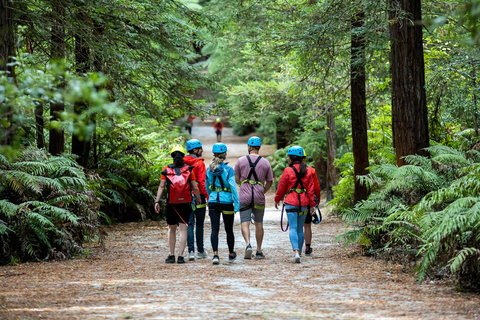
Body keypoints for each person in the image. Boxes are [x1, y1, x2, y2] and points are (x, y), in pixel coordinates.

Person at [154, 145, 201, 264]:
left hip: (171, 203)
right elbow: (194, 187)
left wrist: (157, 201)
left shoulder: (166, 169)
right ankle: (180, 256)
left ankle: (171, 255)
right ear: (183, 155)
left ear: (172, 156)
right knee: (183, 229)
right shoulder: (189, 169)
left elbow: (161, 186)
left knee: (171, 228)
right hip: (185, 202)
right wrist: (198, 198)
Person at [274, 146, 315, 263]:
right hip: (303, 203)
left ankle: (296, 251)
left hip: (291, 202)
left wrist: (277, 199)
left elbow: (281, 187)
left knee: (292, 227)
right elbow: (311, 190)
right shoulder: (307, 171)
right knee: (300, 229)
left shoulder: (288, 171)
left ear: (291, 158)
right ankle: (300, 253)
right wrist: (312, 205)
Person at [235, 136, 273, 259]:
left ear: (249, 147)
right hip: (259, 195)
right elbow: (270, 181)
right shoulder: (265, 162)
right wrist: (263, 190)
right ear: (259, 147)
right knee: (259, 223)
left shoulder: (241, 161)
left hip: (245, 194)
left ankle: (247, 244)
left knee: (244, 222)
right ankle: (259, 250)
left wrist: (242, 185)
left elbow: (237, 178)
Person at [206, 143, 239, 264]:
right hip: (226, 202)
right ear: (225, 155)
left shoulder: (209, 169)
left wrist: (211, 197)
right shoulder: (229, 169)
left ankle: (215, 255)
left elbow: (207, 187)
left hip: (214, 201)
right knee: (229, 229)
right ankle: (231, 253)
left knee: (214, 229)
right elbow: (233, 187)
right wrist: (237, 203)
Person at [184, 139, 209, 260]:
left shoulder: (182, 162)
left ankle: (190, 252)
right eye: (200, 148)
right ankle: (200, 251)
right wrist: (207, 196)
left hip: (185, 197)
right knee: (199, 224)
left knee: (189, 224)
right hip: (198, 197)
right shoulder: (199, 163)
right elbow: (202, 183)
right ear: (195, 150)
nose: (202, 150)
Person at [302, 150, 321, 256]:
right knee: (307, 225)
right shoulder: (311, 170)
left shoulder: (290, 170)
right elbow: (316, 188)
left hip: (295, 201)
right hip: (308, 201)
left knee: (296, 226)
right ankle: (308, 247)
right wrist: (316, 201)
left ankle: (297, 248)